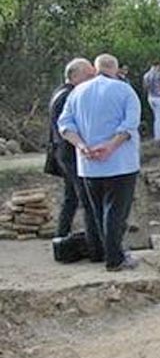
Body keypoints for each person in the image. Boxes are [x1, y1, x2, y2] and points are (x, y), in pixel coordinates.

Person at [58, 53, 142, 272]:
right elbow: (130, 125)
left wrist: (81, 146)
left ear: (95, 69)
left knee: (97, 212)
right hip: (121, 163)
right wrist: (111, 146)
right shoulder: (124, 90)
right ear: (114, 69)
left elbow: (65, 125)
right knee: (116, 212)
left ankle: (108, 252)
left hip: (88, 165)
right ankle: (115, 259)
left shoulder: (77, 92)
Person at [46, 58, 101, 259]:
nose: (92, 80)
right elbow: (68, 128)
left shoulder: (61, 92)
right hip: (70, 153)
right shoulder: (68, 96)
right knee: (86, 200)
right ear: (75, 75)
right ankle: (95, 248)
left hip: (65, 152)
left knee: (71, 198)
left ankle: (61, 239)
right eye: (88, 76)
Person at [142, 60, 160, 140]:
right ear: (158, 65)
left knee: (156, 117)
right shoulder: (159, 74)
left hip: (150, 97)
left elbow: (145, 87)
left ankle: (157, 135)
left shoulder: (146, 75)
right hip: (159, 97)